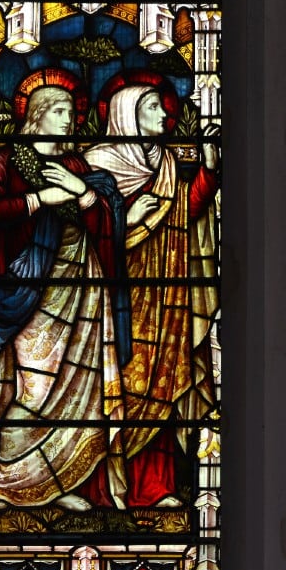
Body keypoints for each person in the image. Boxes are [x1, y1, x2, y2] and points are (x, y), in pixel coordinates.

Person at [0, 70, 128, 511]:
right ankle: (3, 482)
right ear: (37, 116)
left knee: (78, 390)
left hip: (82, 288)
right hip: (27, 292)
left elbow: (104, 215)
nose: (70, 120)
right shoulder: (4, 164)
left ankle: (56, 485)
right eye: (61, 112)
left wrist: (81, 193)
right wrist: (42, 199)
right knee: (32, 389)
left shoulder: (77, 167)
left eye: (73, 113)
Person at [82, 72, 219, 509]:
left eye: (163, 106)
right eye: (153, 107)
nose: (165, 114)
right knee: (115, 385)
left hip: (165, 295)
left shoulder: (164, 164)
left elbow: (184, 211)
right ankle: (98, 487)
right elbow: (82, 236)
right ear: (126, 113)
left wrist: (211, 170)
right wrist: (126, 217)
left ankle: (154, 488)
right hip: (114, 297)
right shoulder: (97, 162)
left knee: (164, 382)